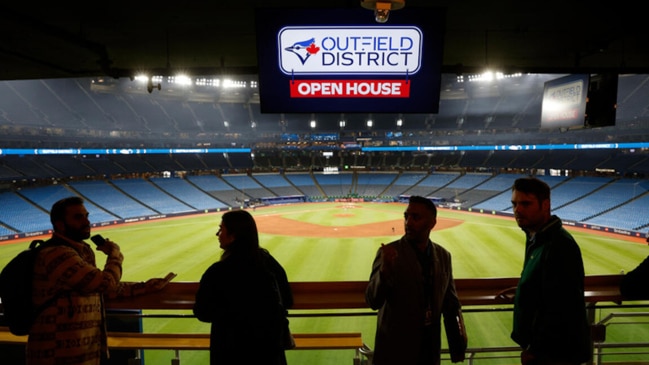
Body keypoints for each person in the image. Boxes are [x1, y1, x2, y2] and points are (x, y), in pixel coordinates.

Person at [27, 196, 172, 365]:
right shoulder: (57, 254)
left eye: (86, 216)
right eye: (78, 217)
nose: (87, 222)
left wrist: (144, 288)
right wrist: (115, 255)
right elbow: (105, 283)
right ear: (59, 224)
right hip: (56, 354)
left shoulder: (79, 252)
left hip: (82, 351)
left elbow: (98, 289)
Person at [365, 195, 467, 365]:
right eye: (406, 216)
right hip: (395, 351)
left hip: (429, 350)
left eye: (416, 217)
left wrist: (458, 347)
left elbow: (451, 303)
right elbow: (372, 301)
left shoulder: (443, 256)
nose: (408, 222)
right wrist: (384, 272)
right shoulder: (388, 253)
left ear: (432, 223)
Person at [508, 177, 591, 365]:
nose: (517, 210)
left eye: (526, 203)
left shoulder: (559, 245)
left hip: (553, 354)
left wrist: (534, 349)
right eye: (514, 204)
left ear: (545, 205)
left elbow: (561, 308)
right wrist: (523, 290)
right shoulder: (537, 237)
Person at [193, 209, 293, 365]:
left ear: (233, 236)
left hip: (229, 351)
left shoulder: (217, 271)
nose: (218, 234)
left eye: (221, 229)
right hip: (268, 351)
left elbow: (202, 312)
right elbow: (287, 299)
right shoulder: (268, 263)